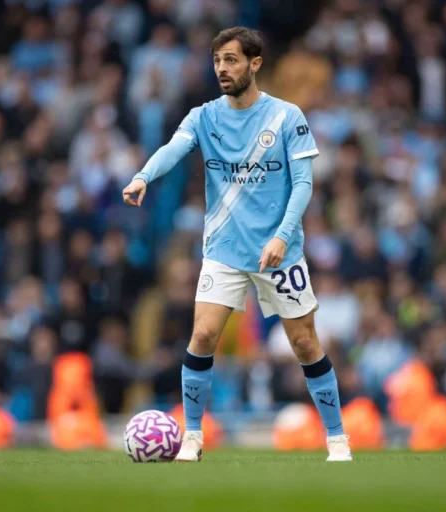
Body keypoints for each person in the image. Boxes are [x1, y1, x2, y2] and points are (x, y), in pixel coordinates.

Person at [122, 27, 351, 462]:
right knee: (204, 333)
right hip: (224, 249)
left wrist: (284, 236)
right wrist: (142, 176)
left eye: (230, 60)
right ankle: (192, 436)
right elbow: (173, 149)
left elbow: (304, 183)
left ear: (254, 63)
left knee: (304, 343)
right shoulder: (204, 117)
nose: (222, 69)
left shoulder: (287, 117)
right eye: (217, 61)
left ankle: (337, 437)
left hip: (279, 251)